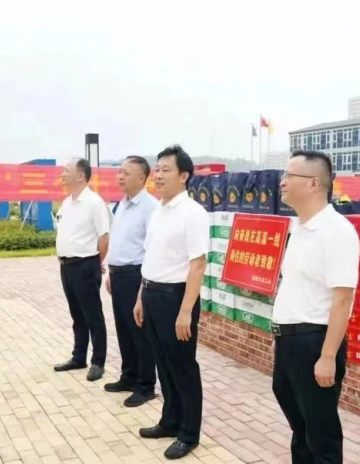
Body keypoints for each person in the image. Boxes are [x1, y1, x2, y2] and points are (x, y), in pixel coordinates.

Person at [272, 150, 360, 463]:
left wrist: (327, 357)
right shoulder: (299, 228)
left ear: (313, 183)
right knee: (301, 428)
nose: (282, 182)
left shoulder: (336, 231)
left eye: (288, 176)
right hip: (289, 339)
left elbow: (342, 298)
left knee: (321, 434)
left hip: (314, 342)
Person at [134, 145, 209, 460]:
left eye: (166, 170)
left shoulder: (193, 213)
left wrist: (185, 311)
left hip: (175, 298)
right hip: (152, 294)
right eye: (158, 169)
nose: (159, 175)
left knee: (182, 367)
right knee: (163, 364)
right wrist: (141, 297)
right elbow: (151, 258)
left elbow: (198, 265)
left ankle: (189, 433)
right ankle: (170, 421)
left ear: (184, 176)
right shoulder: (158, 212)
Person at [103, 156, 159, 407]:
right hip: (118, 275)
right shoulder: (122, 205)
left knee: (140, 332)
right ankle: (129, 376)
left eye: (126, 173)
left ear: (142, 177)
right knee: (124, 329)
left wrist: (143, 286)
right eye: (119, 172)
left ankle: (145, 386)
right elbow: (120, 241)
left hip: (136, 276)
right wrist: (110, 272)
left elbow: (151, 249)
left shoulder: (150, 207)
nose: (120, 177)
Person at [54, 158, 110, 382]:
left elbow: (104, 238)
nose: (62, 173)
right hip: (66, 266)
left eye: (66, 170)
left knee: (92, 314)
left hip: (86, 266)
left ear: (80, 176)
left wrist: (95, 262)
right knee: (76, 314)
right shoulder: (67, 202)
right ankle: (78, 357)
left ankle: (98, 362)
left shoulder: (94, 202)